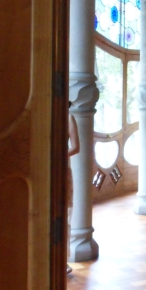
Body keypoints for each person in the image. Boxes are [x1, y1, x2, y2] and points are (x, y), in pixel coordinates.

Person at [67, 102, 80, 274]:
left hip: (61, 167)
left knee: (64, 213)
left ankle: (63, 259)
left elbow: (76, 147)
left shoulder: (68, 117)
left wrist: (56, 155)